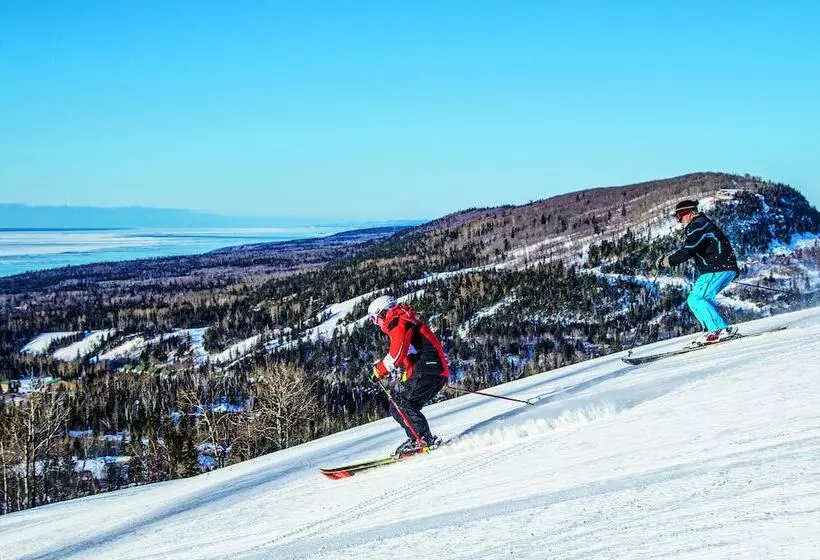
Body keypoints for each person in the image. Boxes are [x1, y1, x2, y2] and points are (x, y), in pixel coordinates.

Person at [368, 294, 448, 456]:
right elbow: (410, 354)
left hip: (429, 371)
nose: (376, 324)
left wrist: (379, 370)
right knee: (398, 406)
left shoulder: (398, 322)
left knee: (402, 403)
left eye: (374, 319)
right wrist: (408, 375)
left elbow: (396, 355)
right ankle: (417, 438)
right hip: (430, 371)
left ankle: (424, 439)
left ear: (382, 313)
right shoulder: (404, 319)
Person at [657, 199, 740, 346]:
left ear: (688, 213)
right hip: (721, 268)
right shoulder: (702, 224)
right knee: (705, 299)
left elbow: (689, 249)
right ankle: (711, 331)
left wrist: (667, 261)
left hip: (716, 268)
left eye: (679, 216)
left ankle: (718, 330)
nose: (679, 220)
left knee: (696, 299)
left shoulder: (697, 225)